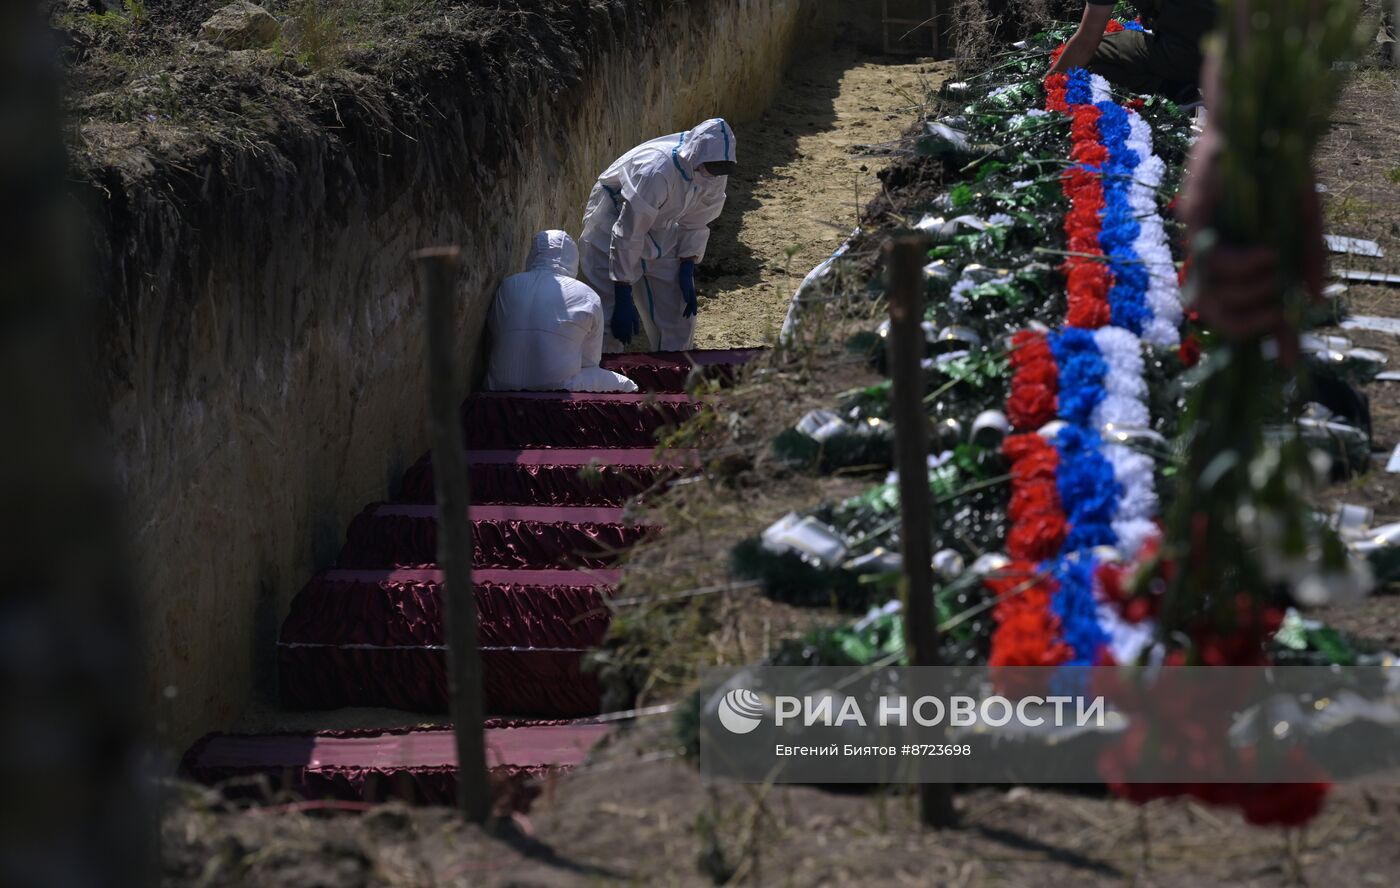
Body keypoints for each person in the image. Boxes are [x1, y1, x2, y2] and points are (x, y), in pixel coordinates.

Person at [579, 118, 737, 351]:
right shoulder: (657, 170)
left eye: (721, 170)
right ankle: (604, 380)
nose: (714, 175)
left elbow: (698, 219)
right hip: (613, 221)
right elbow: (628, 232)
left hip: (662, 227)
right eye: (711, 168)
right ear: (696, 155)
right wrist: (623, 289)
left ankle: (674, 375)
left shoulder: (715, 169)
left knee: (677, 312)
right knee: (608, 317)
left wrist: (687, 263)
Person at [484, 230, 638, 393]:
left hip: (498, 383)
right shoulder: (587, 295)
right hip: (559, 387)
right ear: (573, 259)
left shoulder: (507, 286)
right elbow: (589, 361)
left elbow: (495, 332)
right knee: (628, 386)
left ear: (533, 253)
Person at [1047, 0, 1217, 101]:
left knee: (1095, 55)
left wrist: (1050, 82)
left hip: (1198, 58)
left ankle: (1172, 88)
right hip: (1236, 53)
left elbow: (1086, 43)